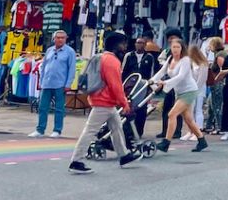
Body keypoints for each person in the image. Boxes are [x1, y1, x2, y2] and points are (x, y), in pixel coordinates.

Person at [67, 32, 142, 174]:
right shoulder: (112, 61)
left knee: (117, 127)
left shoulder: (100, 57)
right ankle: (76, 160)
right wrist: (124, 103)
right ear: (116, 45)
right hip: (104, 101)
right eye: (123, 44)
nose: (125, 47)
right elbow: (116, 85)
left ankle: (124, 155)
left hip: (102, 100)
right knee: (90, 130)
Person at [150, 37, 208, 152]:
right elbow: (162, 71)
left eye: (178, 47)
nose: (175, 49)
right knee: (188, 119)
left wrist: (165, 82)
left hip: (189, 91)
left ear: (182, 48)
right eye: (173, 47)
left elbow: (181, 76)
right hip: (179, 92)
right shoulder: (170, 58)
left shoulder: (185, 60)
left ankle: (166, 142)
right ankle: (202, 141)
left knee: (172, 114)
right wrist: (152, 80)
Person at [30, 30, 76, 138]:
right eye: (58, 37)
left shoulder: (70, 52)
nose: (60, 39)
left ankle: (57, 130)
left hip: (60, 84)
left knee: (59, 108)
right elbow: (44, 66)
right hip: (46, 83)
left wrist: (68, 83)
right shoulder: (49, 50)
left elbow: (72, 69)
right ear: (54, 39)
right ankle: (40, 129)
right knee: (42, 107)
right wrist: (41, 81)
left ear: (65, 39)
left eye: (62, 38)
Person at [121, 35, 159, 136]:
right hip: (131, 86)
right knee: (129, 108)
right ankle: (128, 132)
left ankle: (139, 131)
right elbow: (123, 71)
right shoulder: (129, 56)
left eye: (141, 43)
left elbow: (152, 73)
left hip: (143, 86)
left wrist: (150, 86)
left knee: (141, 109)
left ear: (145, 45)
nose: (139, 45)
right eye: (137, 43)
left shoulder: (149, 57)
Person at [156, 28, 184, 139]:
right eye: (169, 38)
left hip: (178, 84)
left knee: (177, 108)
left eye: (173, 38)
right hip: (168, 83)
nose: (170, 40)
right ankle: (165, 131)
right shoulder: (167, 51)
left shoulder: (184, 51)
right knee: (167, 107)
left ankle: (176, 131)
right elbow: (161, 61)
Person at [180, 45, 209, 141]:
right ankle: (190, 131)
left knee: (198, 110)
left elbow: (202, 79)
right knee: (190, 111)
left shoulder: (203, 64)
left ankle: (198, 131)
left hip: (199, 89)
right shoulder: (191, 63)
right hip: (190, 89)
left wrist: (194, 89)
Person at [202, 37, 226, 136]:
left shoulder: (220, 55)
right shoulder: (219, 54)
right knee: (211, 104)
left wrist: (216, 80)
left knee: (216, 105)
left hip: (218, 83)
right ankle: (208, 125)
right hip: (216, 83)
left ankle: (219, 126)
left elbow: (222, 69)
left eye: (211, 45)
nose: (209, 47)